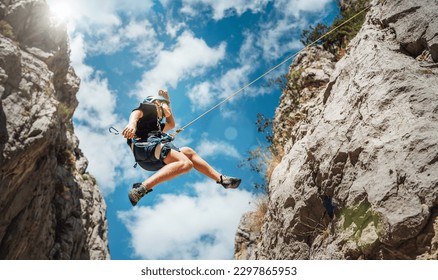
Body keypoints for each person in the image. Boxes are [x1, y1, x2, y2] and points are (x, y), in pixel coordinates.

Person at [122, 90, 241, 206]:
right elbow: (136, 112)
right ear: (156, 103)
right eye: (164, 104)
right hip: (147, 148)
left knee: (188, 152)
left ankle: (221, 179)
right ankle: (142, 188)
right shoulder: (149, 109)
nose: (167, 108)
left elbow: (171, 124)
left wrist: (167, 101)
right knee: (186, 163)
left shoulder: (156, 125)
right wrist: (132, 124)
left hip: (148, 159)